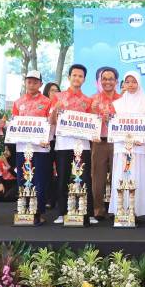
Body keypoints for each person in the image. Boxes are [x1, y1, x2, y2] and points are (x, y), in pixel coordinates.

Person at [49, 64, 96, 224]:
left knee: (84, 178)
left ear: (84, 79)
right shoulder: (58, 97)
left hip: (83, 146)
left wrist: (95, 115)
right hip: (63, 144)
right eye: (74, 75)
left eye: (80, 76)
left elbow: (93, 124)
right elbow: (51, 121)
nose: (77, 78)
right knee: (63, 178)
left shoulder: (88, 100)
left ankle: (86, 213)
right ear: (69, 77)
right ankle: (62, 212)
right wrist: (55, 109)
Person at [108, 71, 145, 219]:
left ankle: (135, 211)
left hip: (138, 148)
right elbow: (112, 124)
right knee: (121, 176)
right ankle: (120, 210)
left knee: (137, 177)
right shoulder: (117, 104)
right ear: (123, 84)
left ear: (139, 83)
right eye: (127, 82)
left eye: (134, 82)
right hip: (122, 147)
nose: (131, 85)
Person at [11, 70, 52, 222]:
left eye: (35, 82)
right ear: (25, 82)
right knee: (23, 178)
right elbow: (14, 124)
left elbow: (51, 124)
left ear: (40, 84)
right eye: (29, 81)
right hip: (22, 147)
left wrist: (47, 138)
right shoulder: (18, 102)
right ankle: (23, 209)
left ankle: (38, 212)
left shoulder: (48, 102)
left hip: (41, 148)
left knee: (40, 180)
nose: (32, 84)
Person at [90, 66, 121, 220]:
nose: (107, 82)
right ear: (100, 81)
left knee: (118, 175)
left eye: (111, 79)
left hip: (118, 143)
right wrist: (92, 112)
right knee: (97, 177)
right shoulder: (92, 100)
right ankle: (98, 209)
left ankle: (117, 208)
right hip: (99, 142)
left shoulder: (123, 100)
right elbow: (85, 122)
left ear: (116, 81)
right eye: (104, 79)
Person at [42, 81, 61, 208]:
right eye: (52, 90)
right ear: (47, 92)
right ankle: (48, 199)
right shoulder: (43, 105)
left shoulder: (62, 105)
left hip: (59, 141)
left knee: (60, 171)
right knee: (47, 170)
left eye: (57, 90)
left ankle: (59, 198)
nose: (55, 93)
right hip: (46, 142)